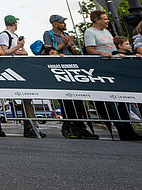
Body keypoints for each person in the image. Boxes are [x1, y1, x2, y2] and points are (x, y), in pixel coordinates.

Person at [83, 10, 140, 141]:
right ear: (97, 20)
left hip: (115, 66)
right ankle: (122, 130)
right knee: (112, 103)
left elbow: (113, 47)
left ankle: (129, 129)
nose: (107, 21)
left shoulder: (107, 32)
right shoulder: (90, 32)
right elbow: (89, 49)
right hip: (103, 68)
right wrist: (101, 53)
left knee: (123, 100)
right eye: (104, 19)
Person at [42, 14, 97, 140]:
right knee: (66, 101)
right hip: (59, 70)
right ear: (55, 24)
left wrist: (71, 45)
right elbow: (51, 51)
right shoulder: (48, 34)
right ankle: (70, 126)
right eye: (61, 22)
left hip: (72, 70)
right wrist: (63, 44)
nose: (64, 24)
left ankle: (80, 127)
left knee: (77, 100)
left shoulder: (66, 35)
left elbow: (76, 52)